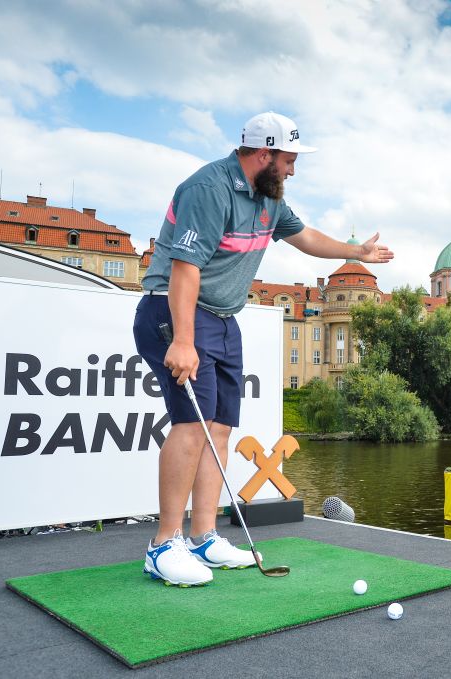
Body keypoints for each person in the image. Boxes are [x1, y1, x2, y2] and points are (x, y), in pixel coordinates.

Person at [133, 111, 393, 586]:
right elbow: (184, 271)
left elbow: (306, 236)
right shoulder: (208, 189)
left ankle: (204, 537)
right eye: (289, 160)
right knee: (192, 428)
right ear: (263, 154)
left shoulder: (270, 199)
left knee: (220, 429)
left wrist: (354, 253)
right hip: (174, 315)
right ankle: (162, 544)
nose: (293, 170)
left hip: (225, 319)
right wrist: (185, 340)